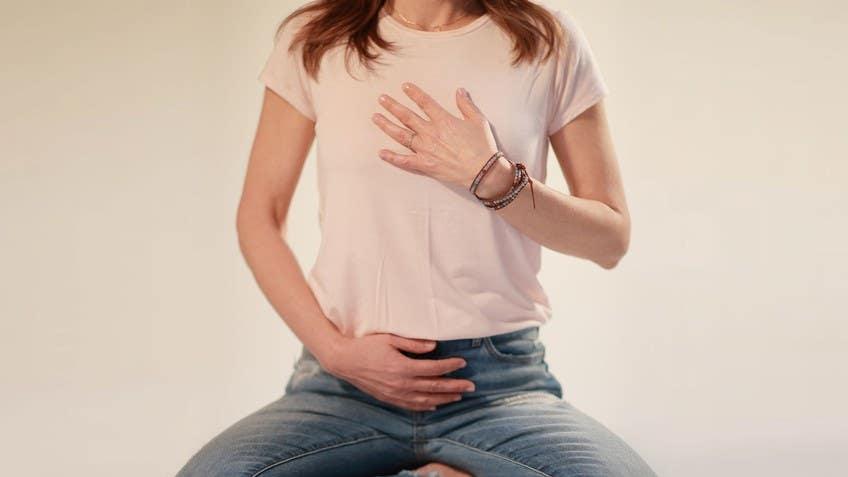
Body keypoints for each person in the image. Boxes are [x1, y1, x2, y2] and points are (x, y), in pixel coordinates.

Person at [175, 0, 658, 476]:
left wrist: (493, 178)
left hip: (499, 388)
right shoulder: (316, 37)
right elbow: (259, 217)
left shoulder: (547, 39)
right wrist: (333, 351)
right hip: (343, 383)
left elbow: (609, 240)